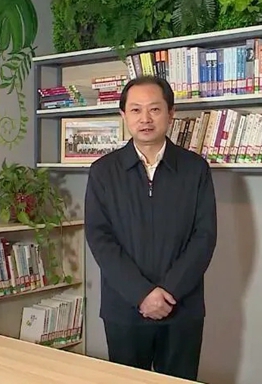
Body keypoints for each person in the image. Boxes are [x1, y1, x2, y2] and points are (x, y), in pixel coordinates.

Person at [84, 75, 217, 381]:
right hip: (125, 308)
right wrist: (141, 294)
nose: (145, 119)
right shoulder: (103, 171)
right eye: (136, 110)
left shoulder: (195, 169)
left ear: (171, 114)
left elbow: (204, 236)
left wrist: (168, 292)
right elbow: (100, 238)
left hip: (182, 307)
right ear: (123, 115)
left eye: (154, 109)